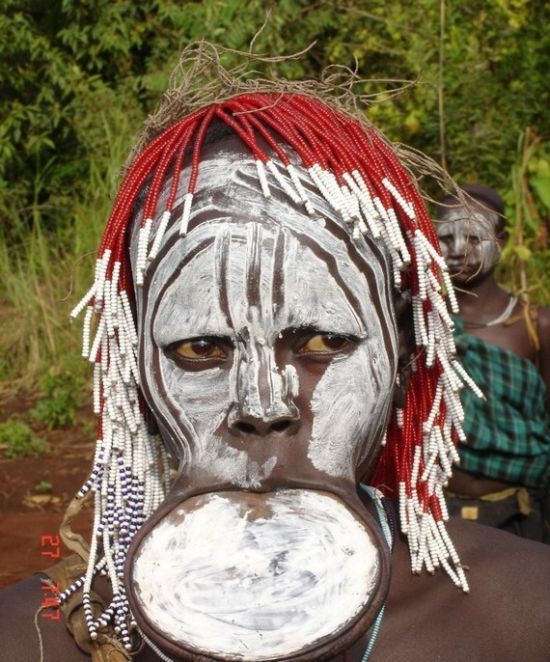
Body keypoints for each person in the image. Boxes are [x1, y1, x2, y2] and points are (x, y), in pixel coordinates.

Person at [1, 50, 549, 661]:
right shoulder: (41, 637)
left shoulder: (523, 616)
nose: (263, 406)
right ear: (132, 367)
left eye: (324, 342)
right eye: (200, 347)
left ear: (401, 356)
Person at [435, 186, 550, 540]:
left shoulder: (535, 327)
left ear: (499, 240)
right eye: (446, 237)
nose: (457, 251)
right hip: (434, 516)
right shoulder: (418, 323)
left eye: (473, 237)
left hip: (520, 514)